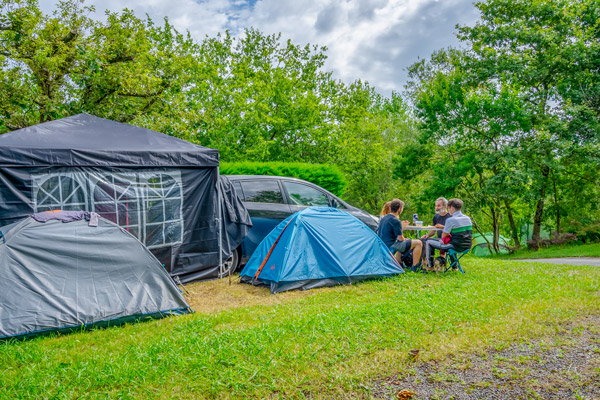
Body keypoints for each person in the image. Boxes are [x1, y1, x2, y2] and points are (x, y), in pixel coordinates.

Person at [425, 198, 473, 270]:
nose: (448, 210)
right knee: (454, 240)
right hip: (467, 246)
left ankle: (430, 266)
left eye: (448, 208)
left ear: (452, 208)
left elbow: (443, 236)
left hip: (455, 246)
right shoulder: (468, 218)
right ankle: (454, 267)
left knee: (428, 242)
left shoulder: (450, 220)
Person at [377, 199, 423, 270]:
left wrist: (406, 240)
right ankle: (415, 267)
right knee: (418, 243)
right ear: (399, 209)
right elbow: (401, 239)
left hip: (383, 244)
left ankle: (399, 265)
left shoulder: (384, 218)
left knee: (405, 242)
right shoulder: (395, 220)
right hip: (391, 245)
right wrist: (406, 240)